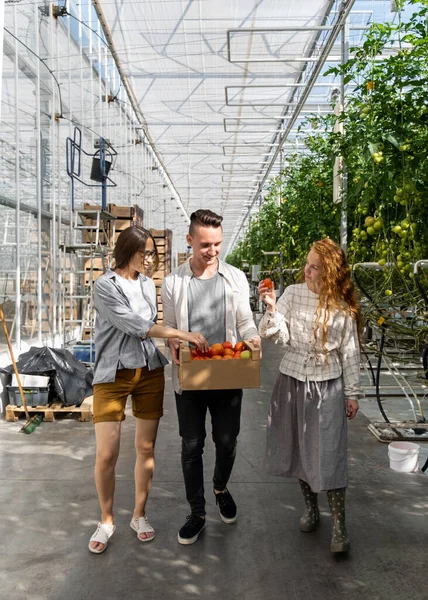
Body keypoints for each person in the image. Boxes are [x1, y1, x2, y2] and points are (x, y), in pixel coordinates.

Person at [88, 226, 208, 554]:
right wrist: (183, 334)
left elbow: (151, 325)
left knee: (145, 449)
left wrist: (171, 339)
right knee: (107, 453)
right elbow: (136, 325)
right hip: (112, 374)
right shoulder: (104, 285)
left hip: (148, 371)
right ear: (130, 251)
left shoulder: (144, 282)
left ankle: (139, 515)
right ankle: (107, 519)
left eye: (154, 253)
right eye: (148, 253)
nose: (152, 259)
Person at [161, 209, 261, 545]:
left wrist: (253, 336)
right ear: (190, 240)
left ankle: (220, 486)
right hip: (190, 376)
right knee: (191, 445)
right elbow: (169, 330)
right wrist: (173, 341)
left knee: (227, 441)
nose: (212, 251)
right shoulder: (174, 283)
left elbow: (245, 322)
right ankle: (197, 511)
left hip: (227, 372)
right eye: (205, 244)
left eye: (217, 244)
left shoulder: (234, 278)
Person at [258, 238, 361, 554]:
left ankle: (339, 526)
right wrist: (273, 309)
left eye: (314, 266)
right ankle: (312, 509)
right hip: (292, 379)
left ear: (328, 271)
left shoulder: (342, 305)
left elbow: (350, 351)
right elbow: (274, 334)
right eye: (307, 263)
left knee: (329, 451)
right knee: (300, 448)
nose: (307, 270)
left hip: (327, 382)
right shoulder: (292, 293)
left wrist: (353, 393)